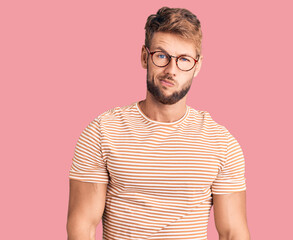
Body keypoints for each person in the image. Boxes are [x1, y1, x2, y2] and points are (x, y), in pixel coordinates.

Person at [67, 6, 250, 240]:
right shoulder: (102, 132)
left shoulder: (221, 142)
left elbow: (233, 232)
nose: (171, 70)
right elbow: (81, 226)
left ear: (197, 66)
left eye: (184, 59)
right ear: (145, 57)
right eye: (162, 56)